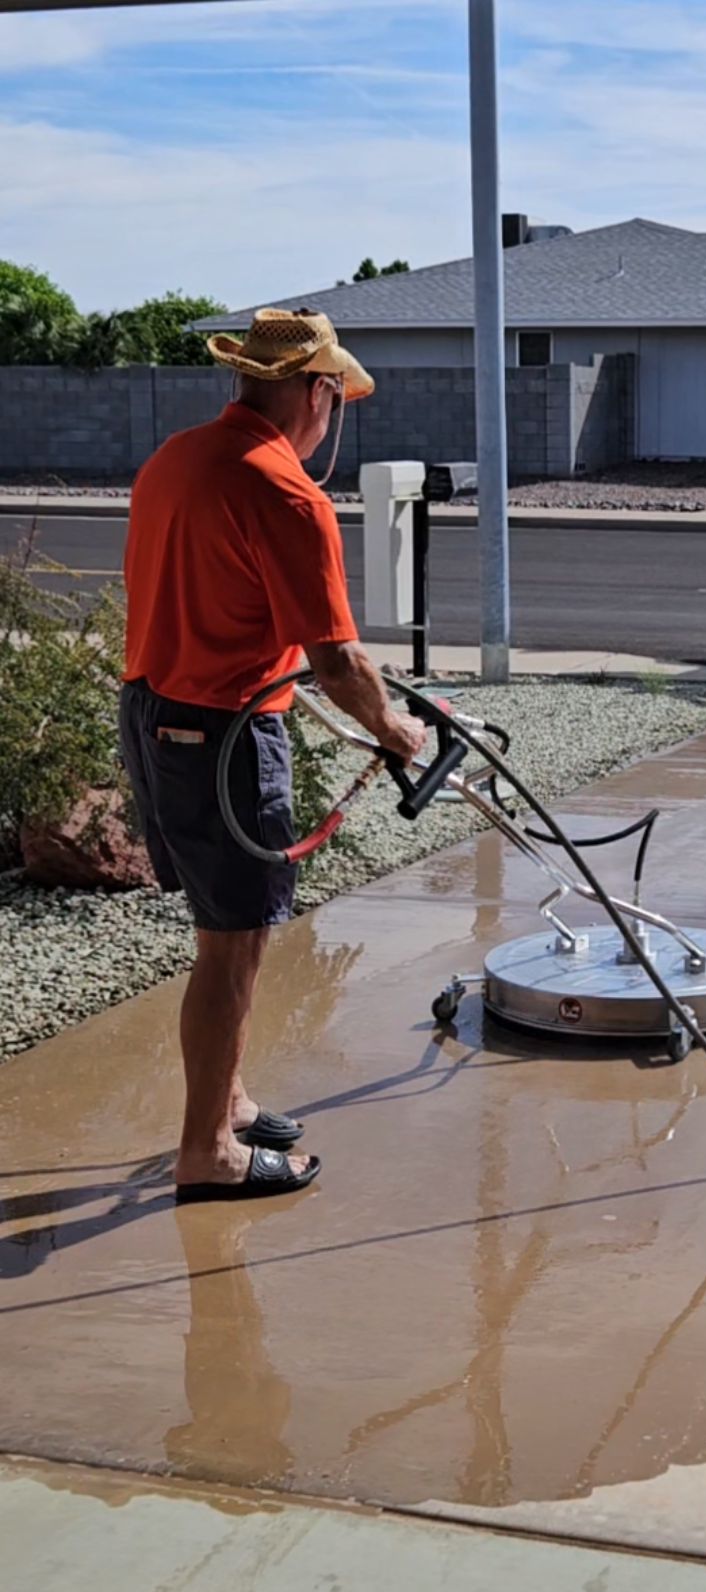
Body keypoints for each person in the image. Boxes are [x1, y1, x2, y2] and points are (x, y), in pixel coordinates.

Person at [120, 307, 425, 1206]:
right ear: (318, 391)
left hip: (151, 711)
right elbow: (335, 659)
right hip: (220, 734)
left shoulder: (175, 457)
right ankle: (207, 1151)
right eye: (336, 397)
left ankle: (230, 1099)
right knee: (234, 948)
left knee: (222, 936)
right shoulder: (285, 492)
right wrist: (396, 731)